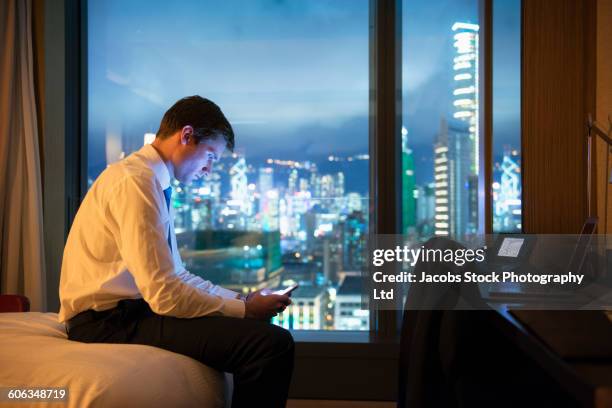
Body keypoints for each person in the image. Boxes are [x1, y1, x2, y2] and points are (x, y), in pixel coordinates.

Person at [58, 96, 294, 407]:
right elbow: (165, 294)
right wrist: (245, 311)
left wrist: (242, 301)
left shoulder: (151, 181)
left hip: (130, 311)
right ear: (186, 135)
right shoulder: (136, 183)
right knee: (269, 345)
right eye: (210, 155)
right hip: (106, 323)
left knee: (258, 331)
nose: (209, 169)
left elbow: (175, 277)